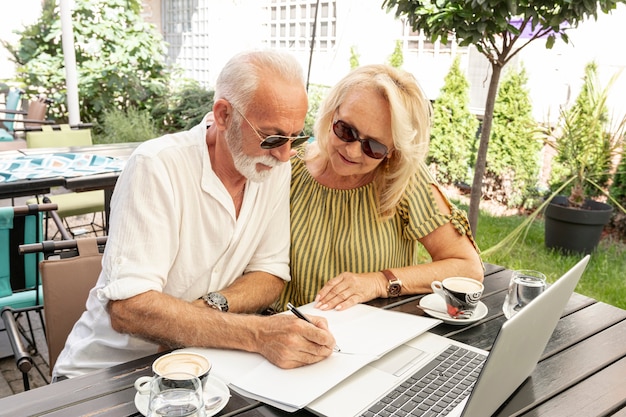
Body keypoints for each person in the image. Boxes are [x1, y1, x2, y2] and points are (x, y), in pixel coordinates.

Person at [53, 50, 336, 379]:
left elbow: (270, 273)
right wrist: (258, 335)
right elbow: (129, 308)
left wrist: (206, 310)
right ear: (223, 115)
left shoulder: (271, 166)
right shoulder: (158, 166)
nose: (285, 155)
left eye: (294, 137)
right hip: (107, 375)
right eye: (271, 137)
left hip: (198, 366)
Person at [275, 64, 483, 312]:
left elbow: (467, 267)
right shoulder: (287, 168)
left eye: (373, 146)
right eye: (346, 130)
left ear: (392, 151)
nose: (351, 150)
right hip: (287, 331)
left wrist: (379, 281)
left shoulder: (402, 177)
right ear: (332, 113)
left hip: (373, 336)